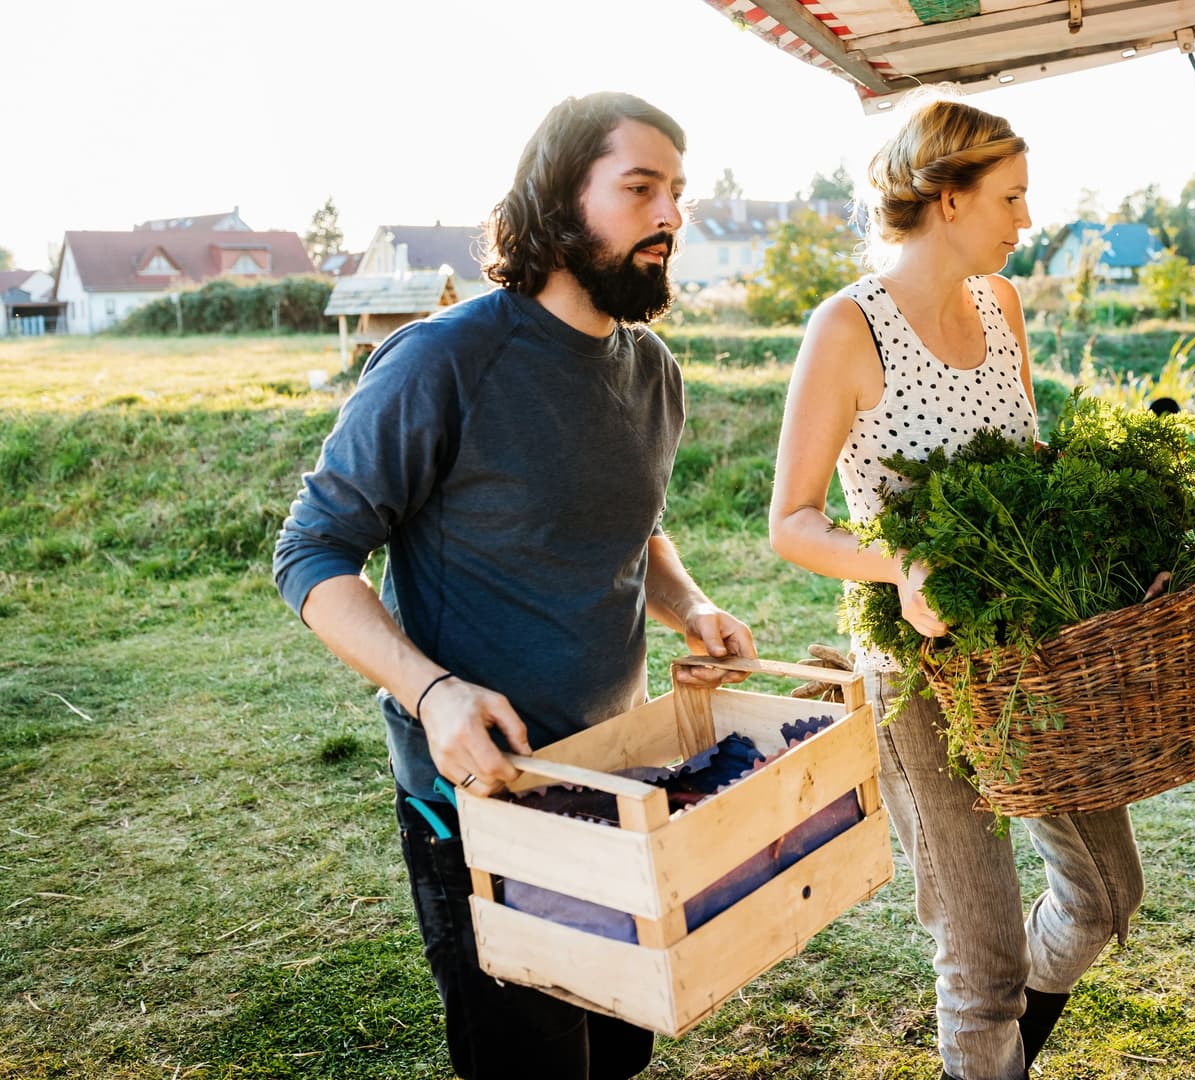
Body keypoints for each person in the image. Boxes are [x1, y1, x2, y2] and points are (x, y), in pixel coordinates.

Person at [272, 91, 754, 1080]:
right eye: (639, 189)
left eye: (678, 193)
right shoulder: (441, 361)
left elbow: (632, 531)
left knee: (618, 1048)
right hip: (481, 795)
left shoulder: (653, 372)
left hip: (618, 776)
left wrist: (692, 606)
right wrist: (432, 691)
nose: (670, 216)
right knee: (533, 1065)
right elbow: (313, 554)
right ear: (559, 200)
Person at [767, 95, 1144, 1080]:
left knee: (1106, 898)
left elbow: (1024, 460)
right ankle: (988, 1047)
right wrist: (902, 563)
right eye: (1011, 198)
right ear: (945, 197)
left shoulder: (999, 304)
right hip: (921, 672)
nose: (1027, 220)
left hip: (1032, 658)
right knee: (980, 961)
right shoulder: (848, 330)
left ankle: (1014, 1043)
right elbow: (791, 522)